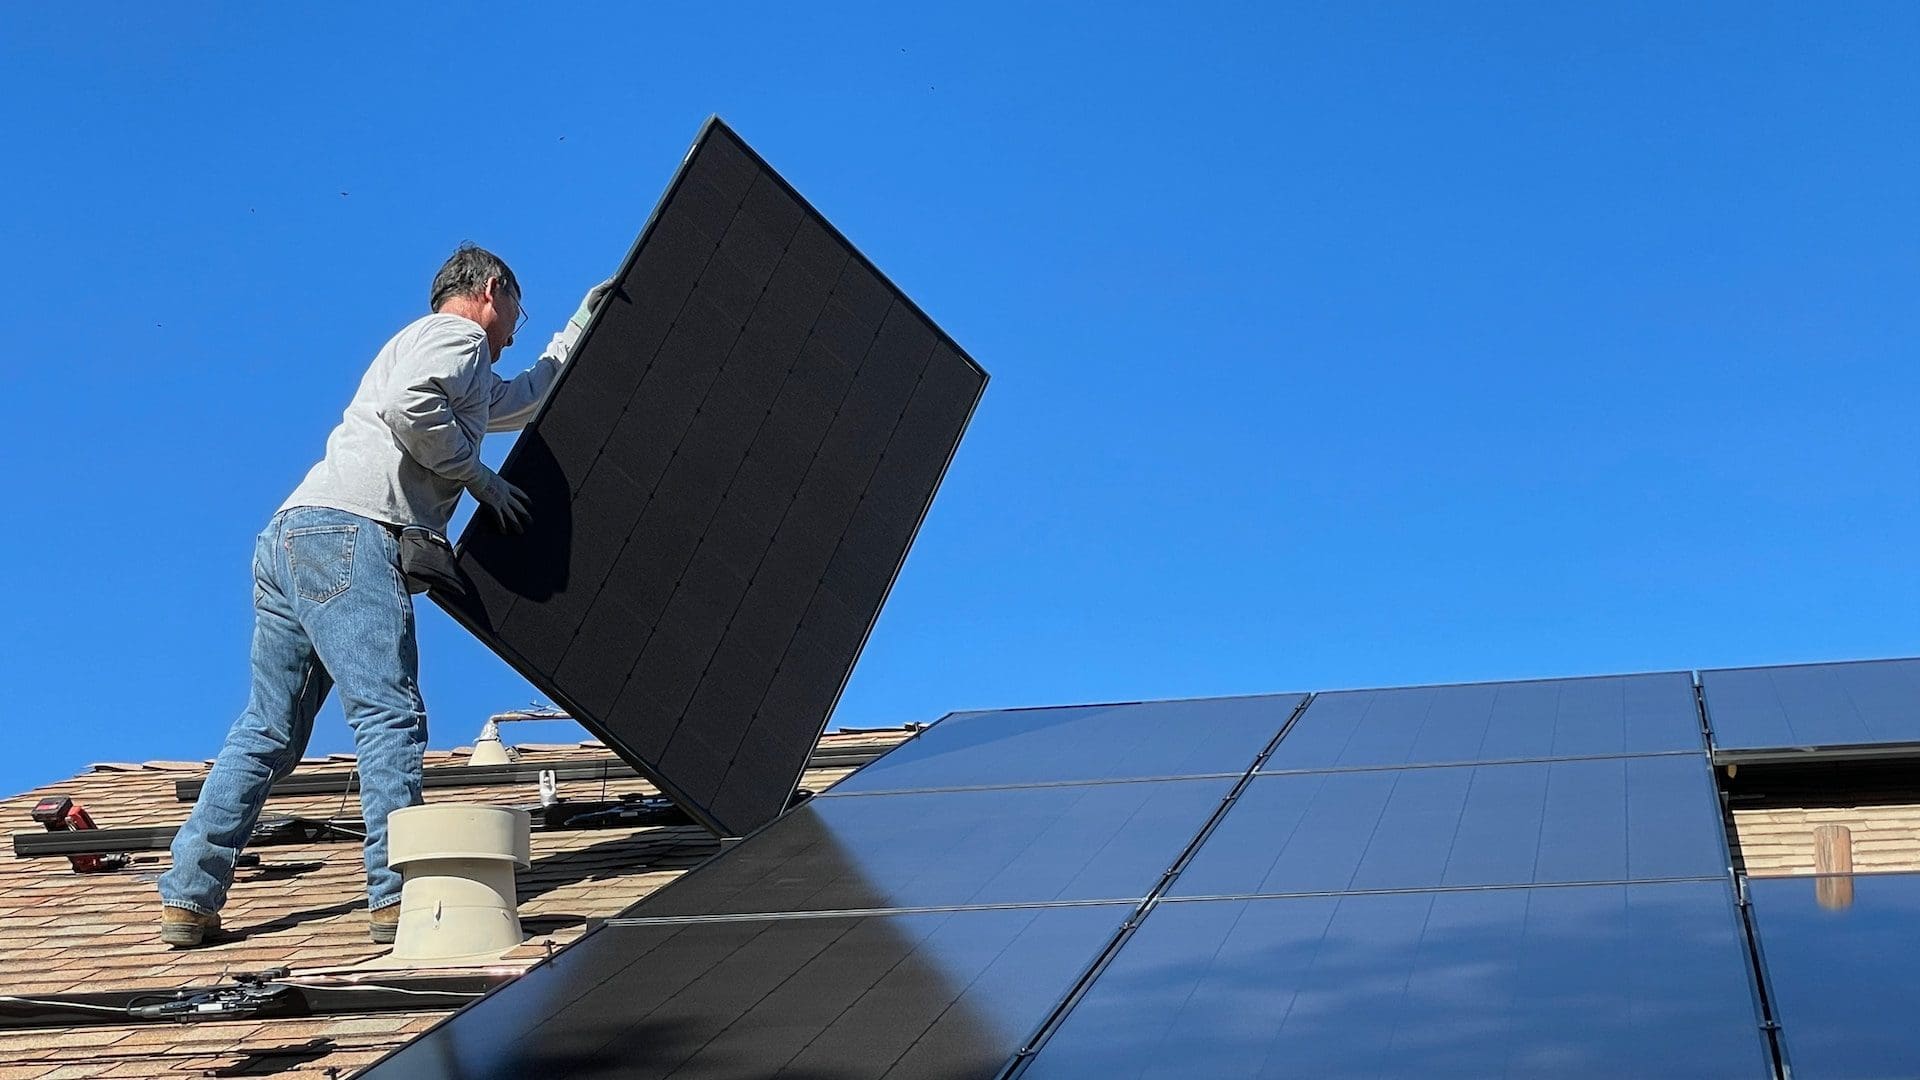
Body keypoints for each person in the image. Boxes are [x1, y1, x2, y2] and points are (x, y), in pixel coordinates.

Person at [157, 244, 613, 947]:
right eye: (520, 307)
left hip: (291, 536)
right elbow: (411, 409)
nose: (519, 324)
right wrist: (480, 481)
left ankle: (189, 894)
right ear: (493, 290)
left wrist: (581, 325)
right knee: (388, 714)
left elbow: (520, 401)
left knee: (268, 730)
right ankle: (397, 898)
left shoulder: (438, 352)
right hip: (351, 533)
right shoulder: (456, 337)